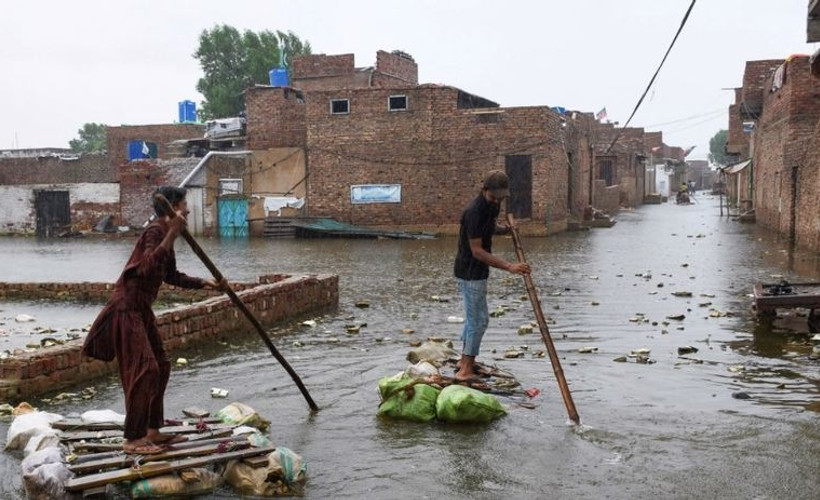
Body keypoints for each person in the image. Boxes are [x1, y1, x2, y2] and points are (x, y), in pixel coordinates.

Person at [82, 186, 227, 454]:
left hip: (142, 309)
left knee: (161, 365)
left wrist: (206, 284)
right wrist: (172, 233)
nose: (188, 209)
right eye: (184, 204)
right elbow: (146, 266)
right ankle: (133, 439)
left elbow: (170, 275)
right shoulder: (156, 232)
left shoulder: (166, 235)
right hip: (127, 308)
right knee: (145, 369)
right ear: (173, 207)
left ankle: (153, 430)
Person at [453, 170, 530, 382]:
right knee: (479, 321)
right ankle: (465, 370)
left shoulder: (492, 205)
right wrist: (509, 266)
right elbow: (477, 250)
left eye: (500, 197)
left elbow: (487, 228)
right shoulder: (474, 211)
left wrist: (504, 229)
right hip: (470, 272)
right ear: (483, 189)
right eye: (493, 196)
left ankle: (463, 361)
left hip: (477, 271)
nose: (497, 201)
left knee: (473, 318)